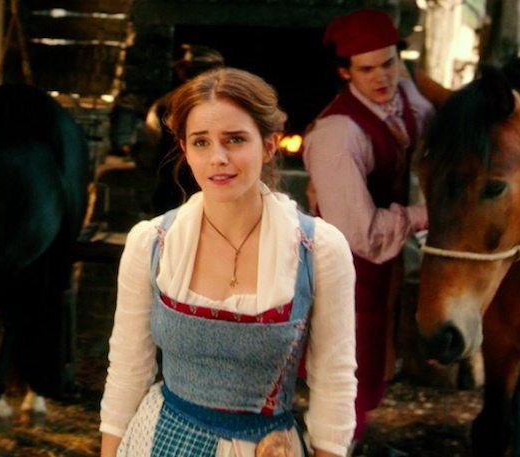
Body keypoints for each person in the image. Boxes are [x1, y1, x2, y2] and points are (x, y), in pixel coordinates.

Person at [99, 67, 357, 457]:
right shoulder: (152, 243)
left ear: (269, 146)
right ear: (185, 150)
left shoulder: (318, 249)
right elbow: (127, 371)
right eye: (201, 142)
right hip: (160, 442)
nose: (217, 158)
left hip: (266, 448)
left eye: (235, 139)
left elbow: (334, 383)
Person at [301, 8, 435, 446]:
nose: (382, 77)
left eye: (389, 63)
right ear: (345, 72)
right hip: (347, 270)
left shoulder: (404, 96)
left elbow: (430, 116)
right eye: (367, 69)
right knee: (346, 380)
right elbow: (362, 234)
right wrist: (428, 213)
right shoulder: (338, 134)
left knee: (372, 373)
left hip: (384, 271)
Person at [138, 44, 225, 214]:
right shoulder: (233, 106)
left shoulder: (164, 105)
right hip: (215, 190)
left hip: (172, 192)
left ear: (183, 72)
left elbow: (148, 152)